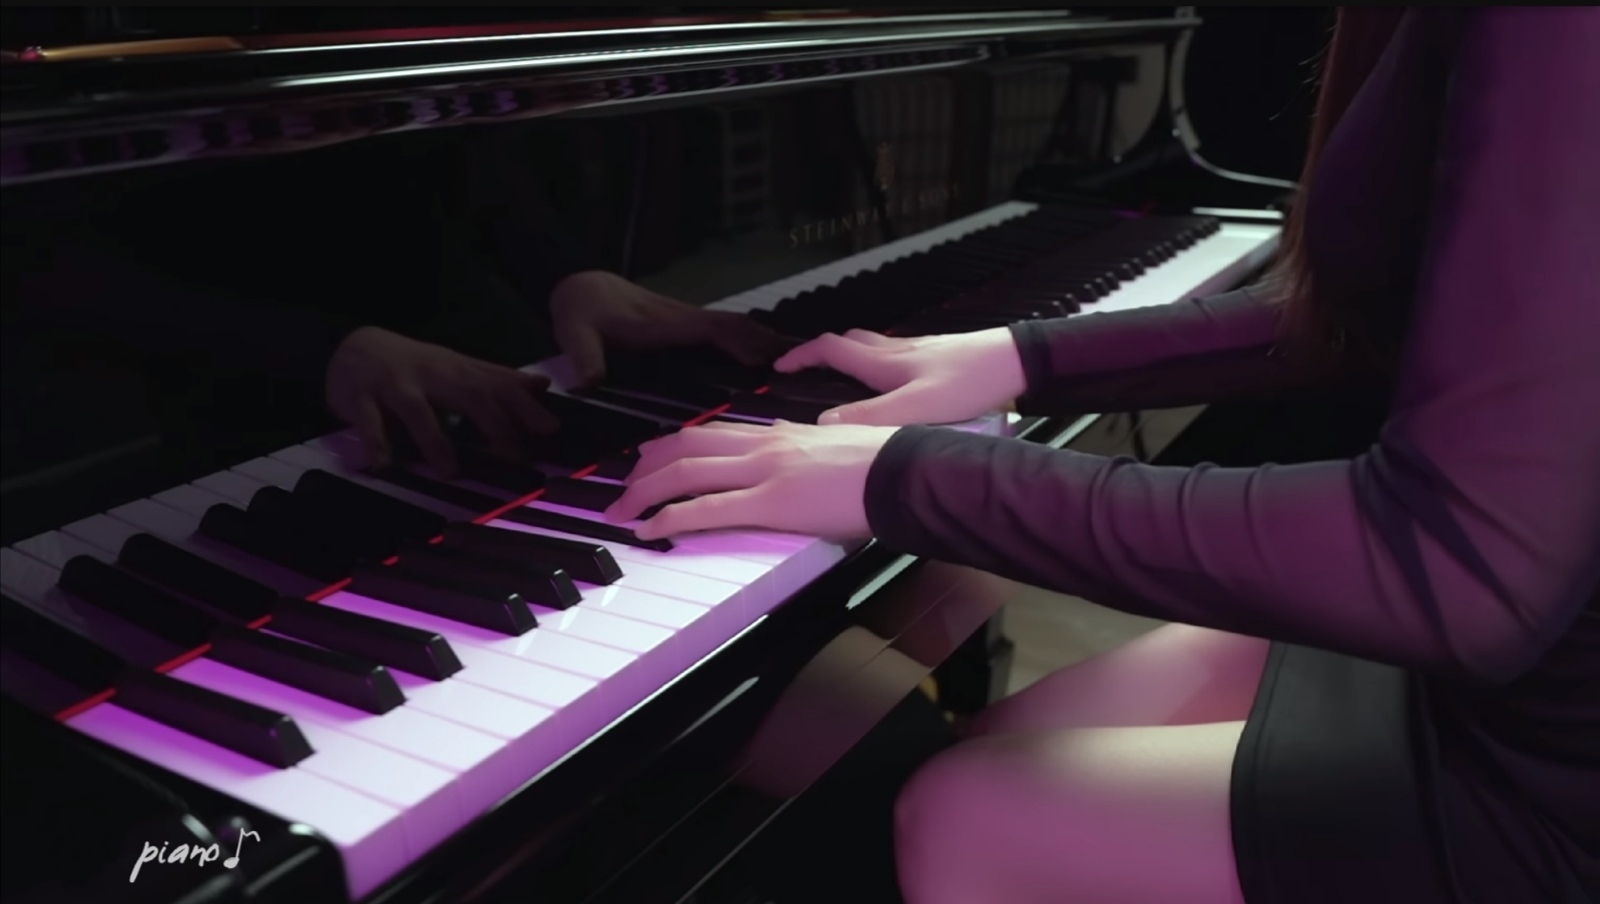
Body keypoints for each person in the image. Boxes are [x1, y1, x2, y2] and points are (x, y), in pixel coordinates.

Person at [601, 8, 1599, 904]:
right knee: (1002, 741)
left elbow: (1461, 568)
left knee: (960, 814)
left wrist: (903, 477)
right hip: (1519, 660)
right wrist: (1018, 357)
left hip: (1552, 764)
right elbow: (1374, 318)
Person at [8, 122, 783, 479]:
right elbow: (36, 252)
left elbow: (447, 129)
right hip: (219, 382)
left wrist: (566, 274)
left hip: (464, 338)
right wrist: (316, 349)